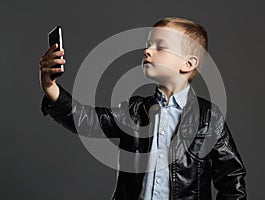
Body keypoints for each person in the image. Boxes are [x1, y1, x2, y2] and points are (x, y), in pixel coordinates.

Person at [39, 17, 247, 200]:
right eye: (148, 45)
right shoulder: (135, 111)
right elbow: (88, 120)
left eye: (161, 47)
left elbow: (231, 181)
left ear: (188, 64)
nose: (147, 50)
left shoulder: (208, 117)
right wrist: (50, 86)